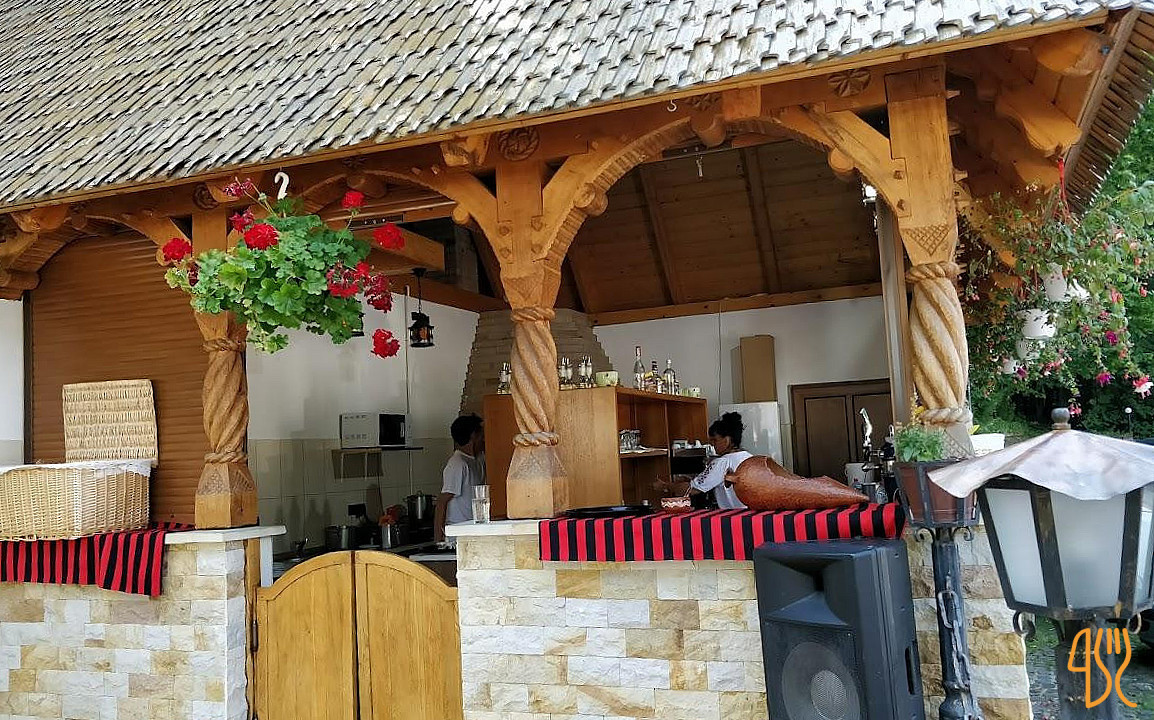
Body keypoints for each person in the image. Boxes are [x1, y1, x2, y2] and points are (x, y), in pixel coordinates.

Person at [660, 412, 750, 509]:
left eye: (715, 440)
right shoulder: (750, 458)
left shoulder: (722, 462)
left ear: (727, 440)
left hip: (732, 515)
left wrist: (665, 486)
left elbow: (691, 489)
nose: (712, 444)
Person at [434, 414, 485, 542]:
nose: (484, 439)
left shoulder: (478, 460)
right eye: (482, 435)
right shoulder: (457, 464)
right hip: (458, 537)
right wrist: (438, 540)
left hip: (473, 533)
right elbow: (442, 502)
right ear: (473, 436)